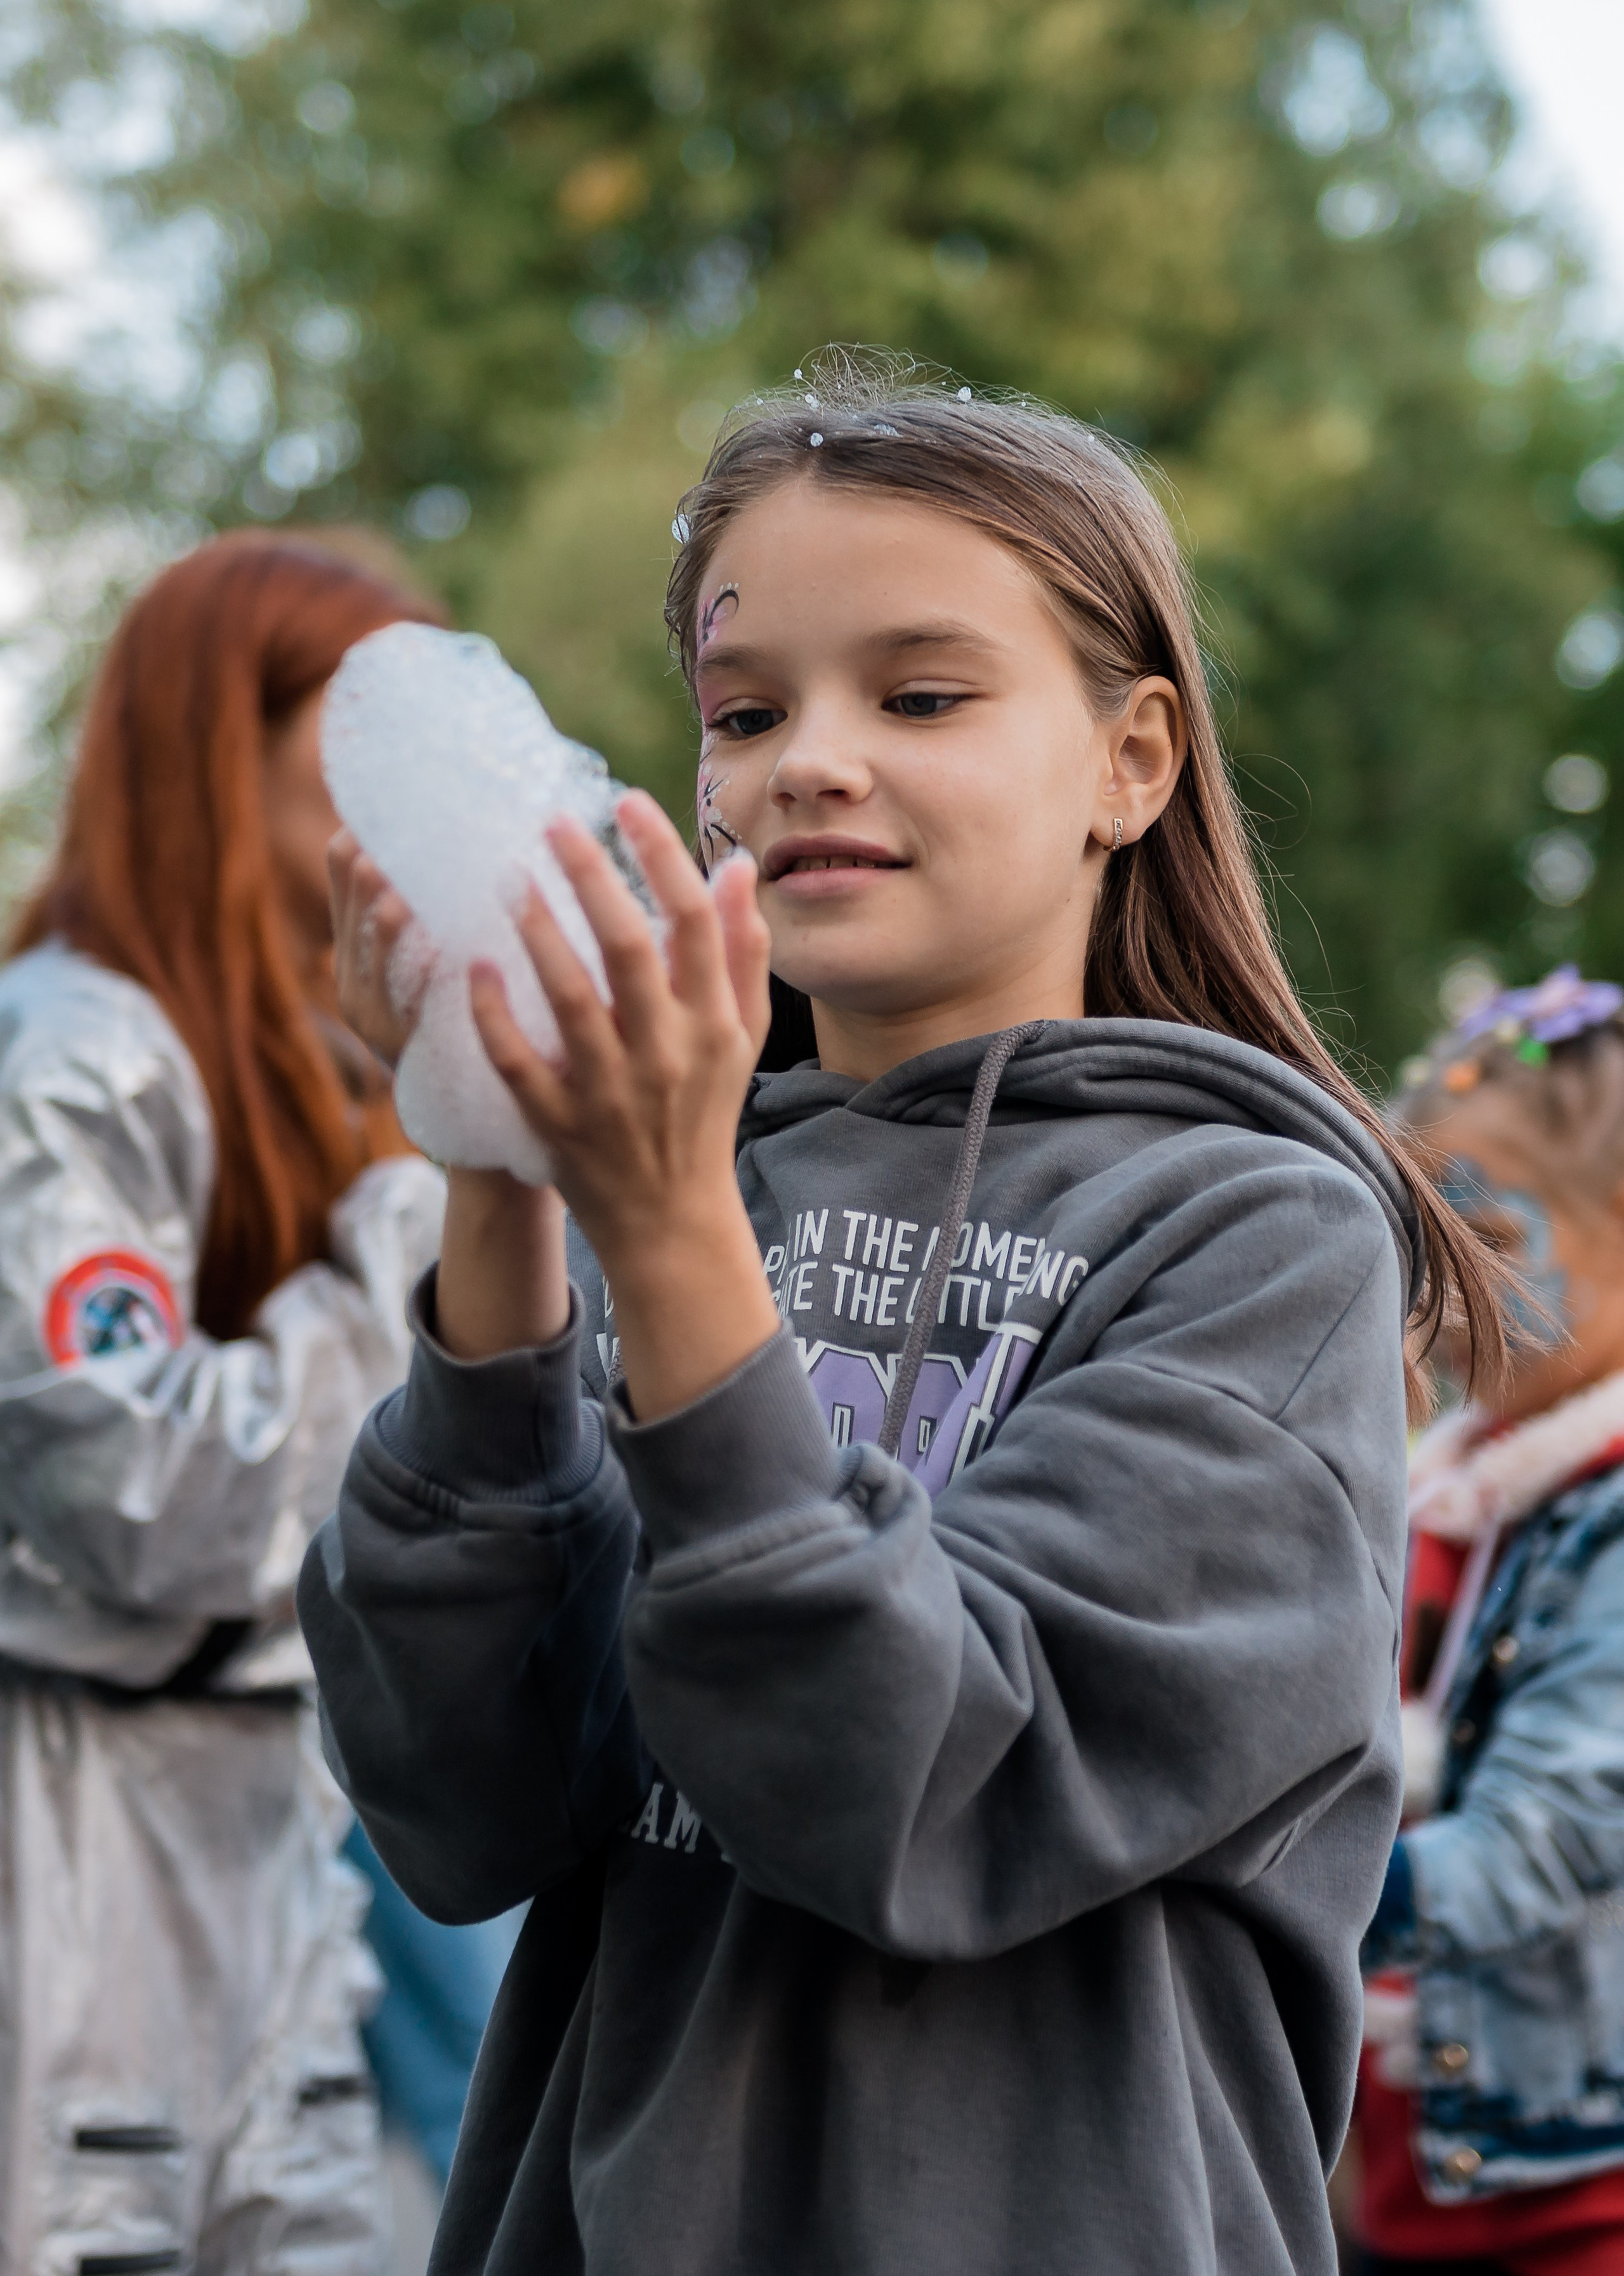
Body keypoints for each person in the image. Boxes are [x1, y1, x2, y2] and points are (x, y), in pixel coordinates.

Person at [300, 362, 1505, 2276]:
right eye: (747, 710)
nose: (809, 762)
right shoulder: (674, 1189)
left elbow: (922, 1781)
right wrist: (504, 1161)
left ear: (1136, 758)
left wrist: (669, 1226)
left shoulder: (1258, 1238)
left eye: (921, 693)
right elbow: (463, 1801)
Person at [0, 532, 450, 2271]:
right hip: (81, 1836)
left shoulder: (315, 1066)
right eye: (366, 729)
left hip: (265, 1821)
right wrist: (417, 1216)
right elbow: (142, 1486)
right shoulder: (77, 1054)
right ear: (220, 742)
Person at [1354, 966, 1624, 2276]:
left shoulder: (1607, 1515)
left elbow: (1548, 1833)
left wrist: (1300, 1897)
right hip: (1410, 2177)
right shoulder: (1449, 1487)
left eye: (1496, 1242)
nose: (1447, 1285)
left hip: (1574, 2202)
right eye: (1427, 1241)